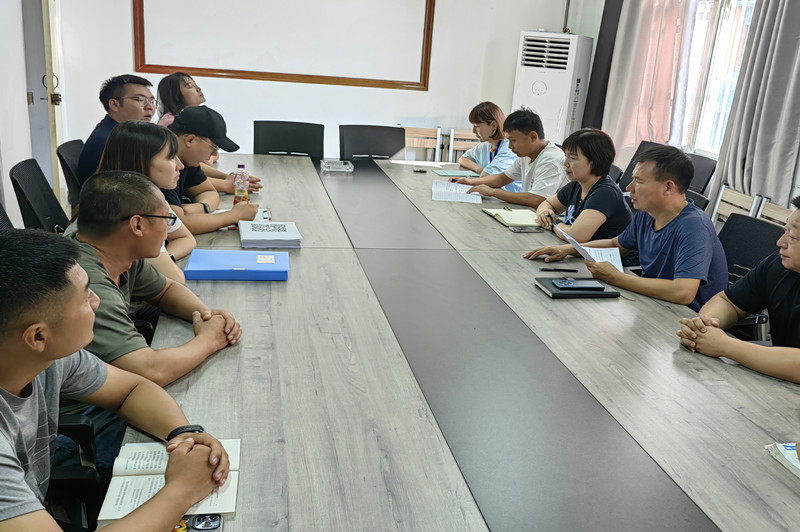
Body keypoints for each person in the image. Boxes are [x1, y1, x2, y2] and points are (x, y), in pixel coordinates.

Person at [0, 228, 229, 531]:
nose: (96, 301)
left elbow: (131, 389)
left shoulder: (48, 357)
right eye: (85, 298)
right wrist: (182, 489)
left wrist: (182, 434)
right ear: (38, 336)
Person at [525, 145, 727, 311]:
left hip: (686, 317)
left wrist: (616, 277)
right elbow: (617, 244)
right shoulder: (648, 213)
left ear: (668, 187)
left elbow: (683, 292)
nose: (629, 188)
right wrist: (569, 249)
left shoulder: (693, 226)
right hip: (652, 302)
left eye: (638, 181)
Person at [677, 197, 800, 382]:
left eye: (793, 237)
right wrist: (705, 326)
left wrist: (725, 346)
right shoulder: (779, 265)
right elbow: (729, 302)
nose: (780, 242)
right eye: (785, 231)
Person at [96, 120, 195, 283]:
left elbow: (186, 238)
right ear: (141, 161)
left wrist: (164, 258)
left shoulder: (148, 196)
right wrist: (160, 262)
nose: (180, 165)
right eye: (171, 157)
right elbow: (176, 279)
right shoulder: (129, 210)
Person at [157, 72, 261, 194]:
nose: (198, 89)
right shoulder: (170, 123)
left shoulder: (195, 123)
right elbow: (191, 176)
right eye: (190, 86)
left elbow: (200, 166)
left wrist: (226, 177)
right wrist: (226, 184)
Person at [166, 105, 260, 234]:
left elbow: (208, 191)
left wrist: (201, 207)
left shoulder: (187, 160)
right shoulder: (164, 167)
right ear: (190, 140)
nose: (214, 154)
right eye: (214, 148)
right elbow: (178, 224)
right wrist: (234, 216)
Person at [451, 107, 566, 209]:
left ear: (532, 137)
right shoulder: (526, 155)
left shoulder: (551, 159)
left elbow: (537, 199)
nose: (510, 146)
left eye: (513, 140)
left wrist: (493, 192)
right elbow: (502, 178)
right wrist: (471, 182)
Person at [535, 128, 631, 242]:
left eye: (572, 158)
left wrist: (553, 223)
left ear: (594, 162)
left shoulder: (605, 193)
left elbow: (576, 236)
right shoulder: (577, 185)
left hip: (598, 253)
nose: (566, 163)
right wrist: (544, 214)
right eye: (566, 156)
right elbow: (548, 203)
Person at [77, 74, 156, 185]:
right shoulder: (115, 140)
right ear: (114, 104)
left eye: (152, 101)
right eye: (140, 99)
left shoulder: (108, 129)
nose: (150, 107)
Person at [457, 102, 520, 192]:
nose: (474, 131)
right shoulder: (486, 145)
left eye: (477, 126)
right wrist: (480, 169)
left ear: (493, 126)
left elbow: (486, 177)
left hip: (511, 198)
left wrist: (477, 176)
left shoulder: (508, 148)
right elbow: (463, 159)